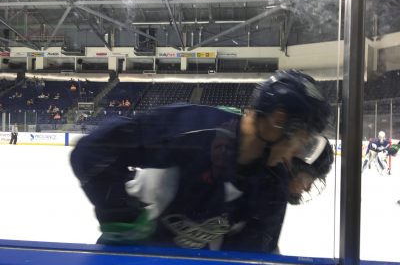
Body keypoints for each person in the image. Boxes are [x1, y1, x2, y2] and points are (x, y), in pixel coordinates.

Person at [70, 70, 331, 251]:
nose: (298, 150)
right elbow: (93, 151)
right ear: (279, 119)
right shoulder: (193, 129)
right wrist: (122, 216)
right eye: (301, 136)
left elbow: (252, 259)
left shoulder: (272, 183)